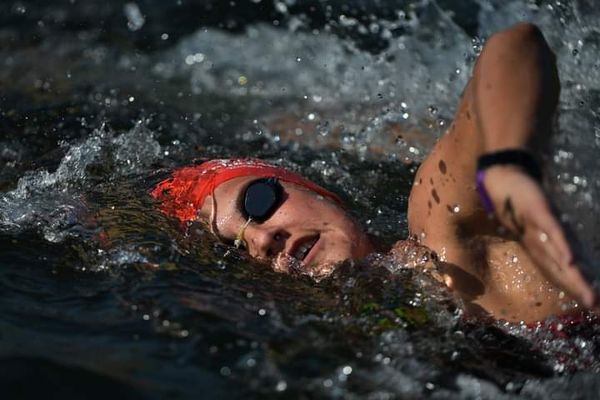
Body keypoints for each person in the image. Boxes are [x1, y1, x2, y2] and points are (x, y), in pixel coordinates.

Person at [152, 23, 596, 323]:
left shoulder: (446, 230)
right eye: (237, 248)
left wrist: (506, 165)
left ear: (314, 188)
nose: (262, 240)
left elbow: (515, 46)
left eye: (258, 203)